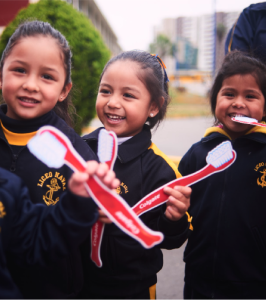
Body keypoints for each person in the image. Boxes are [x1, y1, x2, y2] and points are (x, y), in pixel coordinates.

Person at [0, 42, 120, 298]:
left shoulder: (0, 185)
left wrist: (82, 204)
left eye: (47, 76)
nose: (31, 85)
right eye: (20, 70)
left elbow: (38, 239)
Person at [80, 50, 192, 299]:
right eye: (106, 90)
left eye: (127, 95)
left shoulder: (161, 169)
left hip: (133, 290)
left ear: (153, 106)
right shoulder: (79, 150)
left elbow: (170, 240)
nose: (112, 102)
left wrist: (174, 219)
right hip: (77, 284)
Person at [179, 51, 266, 299]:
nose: (238, 103)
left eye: (250, 96)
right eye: (229, 94)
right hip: (200, 275)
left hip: (256, 280)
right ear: (215, 100)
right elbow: (179, 206)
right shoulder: (198, 153)